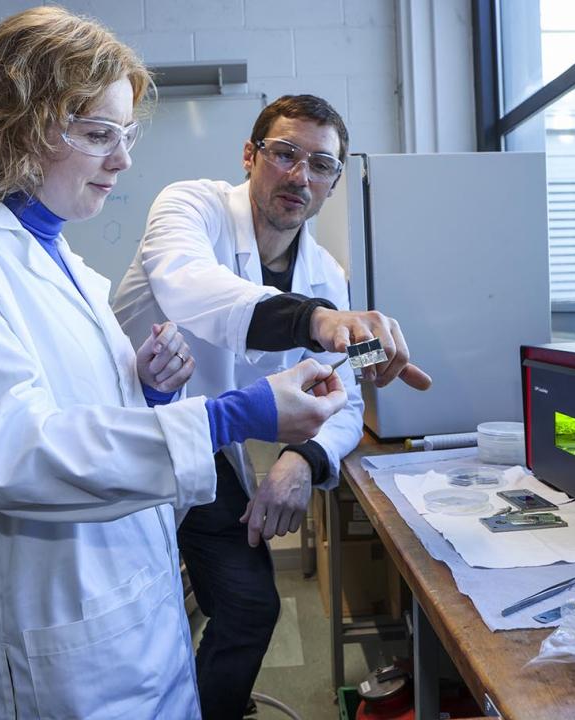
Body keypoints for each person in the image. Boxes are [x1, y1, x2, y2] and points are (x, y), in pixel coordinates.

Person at [0, 9, 347, 720]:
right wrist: (232, 414)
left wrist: (143, 390)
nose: (122, 160)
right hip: (42, 659)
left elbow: (84, 421)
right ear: (16, 125)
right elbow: (19, 457)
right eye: (96, 134)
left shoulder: (72, 268)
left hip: (131, 626)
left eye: (126, 135)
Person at [112, 94, 432, 719]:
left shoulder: (324, 274)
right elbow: (192, 289)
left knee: (249, 605)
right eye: (284, 154)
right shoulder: (192, 206)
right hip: (120, 441)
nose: (299, 176)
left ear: (335, 181)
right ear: (250, 155)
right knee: (132, 624)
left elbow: (340, 399)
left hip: (203, 455)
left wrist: (302, 460)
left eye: (321, 165)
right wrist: (316, 320)